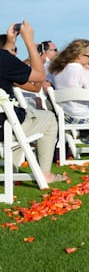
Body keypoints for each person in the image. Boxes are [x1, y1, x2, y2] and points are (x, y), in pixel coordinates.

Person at [0, 21, 66, 184]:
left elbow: (34, 88)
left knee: (18, 119)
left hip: (6, 124)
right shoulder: (3, 60)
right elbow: (38, 77)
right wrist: (28, 40)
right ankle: (45, 174)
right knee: (49, 119)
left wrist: (10, 43)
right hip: (5, 127)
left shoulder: (5, 63)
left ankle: (13, 173)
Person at [50, 39, 89, 145]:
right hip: (84, 117)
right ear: (79, 56)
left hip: (66, 116)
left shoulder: (58, 71)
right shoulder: (82, 72)